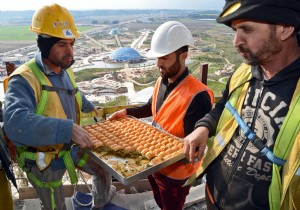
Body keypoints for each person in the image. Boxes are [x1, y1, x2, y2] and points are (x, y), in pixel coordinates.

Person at [183, 1, 300, 210]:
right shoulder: (243, 74)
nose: (236, 41)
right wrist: (203, 128)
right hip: (214, 194)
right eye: (235, 30)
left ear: (285, 28)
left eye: (247, 29)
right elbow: (224, 108)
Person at [3, 4, 114, 210]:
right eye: (62, 45)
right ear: (45, 46)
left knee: (102, 169)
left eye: (71, 43)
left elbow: (71, 93)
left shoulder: (64, 69)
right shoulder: (24, 79)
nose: (70, 51)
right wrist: (67, 128)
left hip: (67, 148)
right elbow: (14, 122)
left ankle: (101, 204)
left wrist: (88, 105)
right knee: (56, 205)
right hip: (42, 160)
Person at [109, 21, 214, 210]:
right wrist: (126, 112)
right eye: (158, 57)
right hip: (154, 164)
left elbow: (193, 150)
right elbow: (153, 107)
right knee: (159, 200)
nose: (158, 63)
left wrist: (147, 148)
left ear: (183, 56)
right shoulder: (162, 80)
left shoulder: (198, 96)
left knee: (171, 206)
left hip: (175, 174)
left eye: (164, 57)